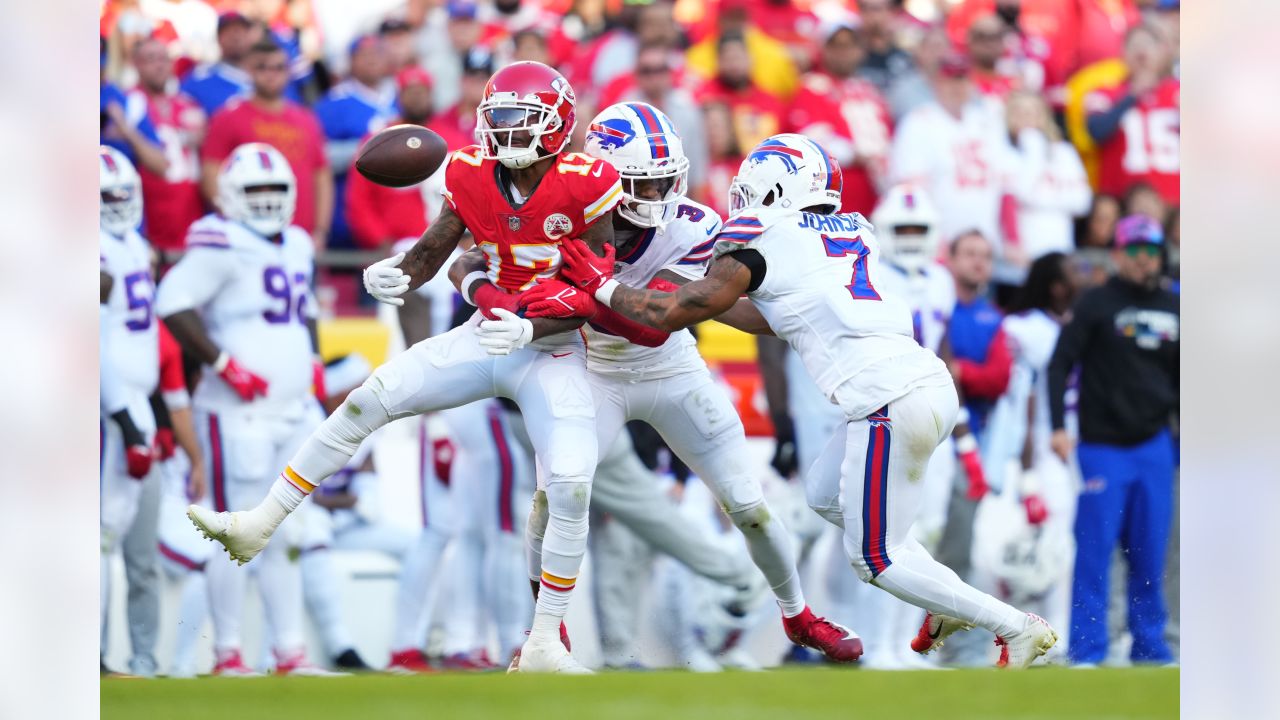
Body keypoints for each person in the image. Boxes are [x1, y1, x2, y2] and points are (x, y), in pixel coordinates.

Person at [537, 133, 1059, 669]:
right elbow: (770, 315)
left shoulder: (762, 230)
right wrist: (695, 301)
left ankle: (1015, 627)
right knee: (824, 493)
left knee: (877, 559)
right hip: (922, 383)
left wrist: (603, 285)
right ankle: (939, 601)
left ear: (773, 186)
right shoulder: (852, 228)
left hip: (887, 399)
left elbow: (677, 310)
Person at [187, 61, 624, 674]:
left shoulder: (588, 181)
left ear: (556, 125)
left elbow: (600, 286)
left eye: (521, 121)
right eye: (497, 118)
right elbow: (432, 249)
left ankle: (546, 639)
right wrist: (395, 273)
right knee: (371, 397)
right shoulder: (471, 171)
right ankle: (259, 522)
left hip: (552, 345)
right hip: (486, 333)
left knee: (570, 482)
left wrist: (533, 325)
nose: (505, 132)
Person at [455, 102, 864, 664]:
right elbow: (477, 259)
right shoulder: (560, 209)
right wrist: (484, 286)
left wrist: (594, 286)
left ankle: (797, 614)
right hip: (586, 367)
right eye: (641, 186)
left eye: (664, 182)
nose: (656, 198)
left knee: (749, 504)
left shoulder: (693, 225)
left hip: (667, 365)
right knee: (554, 495)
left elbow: (656, 322)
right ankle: (547, 630)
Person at [155, 142, 333, 676]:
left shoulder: (298, 242)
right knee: (235, 530)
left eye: (274, 190)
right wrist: (225, 363)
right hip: (234, 412)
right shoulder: (220, 241)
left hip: (289, 408)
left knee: (284, 534)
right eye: (254, 190)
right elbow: (171, 301)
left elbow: (302, 312)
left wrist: (315, 361)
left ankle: (288, 652)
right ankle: (228, 652)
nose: (264, 200)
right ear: (231, 195)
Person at [1047, 215, 1178, 666]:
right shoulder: (1096, 303)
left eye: (1152, 251)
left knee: (1150, 552)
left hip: (1155, 445)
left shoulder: (1176, 306)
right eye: (1136, 251)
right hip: (1103, 446)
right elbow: (1059, 364)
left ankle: (1150, 646)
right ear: (1119, 254)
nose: (1145, 260)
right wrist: (1057, 426)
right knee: (1095, 550)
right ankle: (1087, 649)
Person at [978, 251, 1081, 650]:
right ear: (1054, 285)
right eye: (1074, 272)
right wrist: (1028, 472)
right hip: (1031, 451)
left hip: (1068, 447)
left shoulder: (1076, 324)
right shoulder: (1024, 328)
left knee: (1059, 550)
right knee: (1004, 553)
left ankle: (1057, 641)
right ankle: (1006, 640)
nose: (1082, 278)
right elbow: (1023, 400)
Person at [99, 146, 159, 675]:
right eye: (105, 197)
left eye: (122, 194)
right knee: (96, 538)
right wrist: (124, 418)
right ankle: (90, 659)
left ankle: (143, 660)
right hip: (106, 411)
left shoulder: (132, 245)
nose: (116, 204)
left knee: (138, 550)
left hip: (137, 404)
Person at [201, 38, 332, 245]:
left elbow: (321, 177)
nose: (271, 74)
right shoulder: (227, 117)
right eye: (262, 67)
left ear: (288, 72)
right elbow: (211, 174)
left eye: (278, 67)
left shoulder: (307, 119)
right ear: (249, 70)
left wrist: (321, 231)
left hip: (300, 239)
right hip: (248, 237)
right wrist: (233, 223)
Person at [889, 53, 1015, 252]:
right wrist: (931, 241)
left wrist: (1013, 239)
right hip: (938, 245)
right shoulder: (918, 123)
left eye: (962, 79)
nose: (957, 87)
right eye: (950, 80)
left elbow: (1006, 185)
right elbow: (909, 191)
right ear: (936, 83)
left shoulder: (987, 121)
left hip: (986, 244)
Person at [787, 21, 893, 215]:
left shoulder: (869, 90)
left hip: (878, 197)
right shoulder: (812, 87)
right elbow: (810, 142)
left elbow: (888, 135)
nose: (844, 52)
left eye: (850, 45)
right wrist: (856, 154)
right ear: (824, 49)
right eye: (836, 45)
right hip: (836, 201)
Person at [314, 34, 397, 249]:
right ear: (351, 61)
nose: (371, 60)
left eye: (377, 53)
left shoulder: (401, 95)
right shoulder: (333, 103)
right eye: (364, 55)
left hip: (394, 218)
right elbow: (318, 158)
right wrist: (369, 149)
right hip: (346, 215)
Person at [345, 66, 439, 253]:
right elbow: (359, 201)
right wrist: (380, 241)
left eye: (421, 91)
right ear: (399, 96)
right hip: (392, 252)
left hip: (444, 249)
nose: (416, 98)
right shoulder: (379, 141)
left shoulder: (450, 138)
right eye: (410, 92)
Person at [126, 36, 206, 254]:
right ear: (137, 65)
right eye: (151, 59)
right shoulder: (128, 104)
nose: (159, 65)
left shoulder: (188, 104)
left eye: (164, 58)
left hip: (191, 226)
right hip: (149, 229)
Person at [1085, 23, 1179, 207]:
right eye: (1134, 45)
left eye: (1148, 44)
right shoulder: (1105, 93)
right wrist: (1131, 96)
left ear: (1163, 51)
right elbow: (1096, 132)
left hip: (1175, 202)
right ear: (1123, 53)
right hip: (1122, 199)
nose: (1141, 52)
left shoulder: (1179, 93)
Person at [1004, 90, 1091, 262]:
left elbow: (1082, 203)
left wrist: (1039, 197)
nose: (1027, 117)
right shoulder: (1004, 154)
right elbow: (1022, 194)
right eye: (1020, 111)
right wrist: (1033, 147)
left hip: (1061, 247)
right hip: (1021, 255)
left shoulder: (1065, 152)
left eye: (1034, 111)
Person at [694, 33, 787, 155]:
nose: (734, 65)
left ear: (750, 58)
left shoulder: (771, 100)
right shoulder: (704, 97)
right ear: (718, 61)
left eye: (738, 57)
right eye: (728, 58)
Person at [179, 11, 263, 117]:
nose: (236, 37)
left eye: (241, 31)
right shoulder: (201, 77)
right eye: (229, 32)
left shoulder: (269, 74)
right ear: (218, 38)